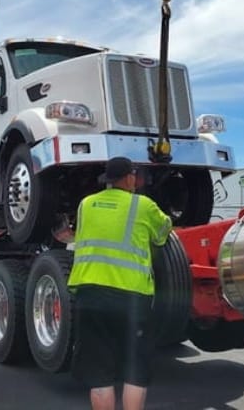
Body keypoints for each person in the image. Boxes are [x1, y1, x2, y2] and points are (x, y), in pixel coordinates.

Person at [67, 156, 172, 410]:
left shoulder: (85, 204)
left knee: (99, 373)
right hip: (131, 297)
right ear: (128, 178)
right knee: (134, 370)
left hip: (90, 294)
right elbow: (162, 233)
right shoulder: (143, 205)